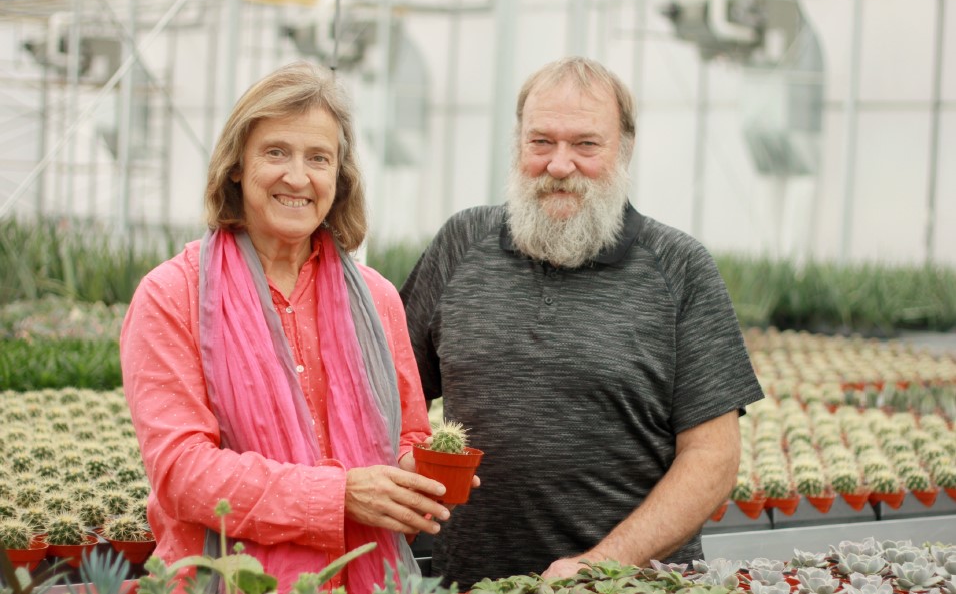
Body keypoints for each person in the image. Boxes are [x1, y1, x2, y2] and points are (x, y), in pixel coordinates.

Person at [399, 56, 765, 586]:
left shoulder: (679, 267)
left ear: (624, 150)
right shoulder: (461, 244)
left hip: (628, 583)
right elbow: (388, 396)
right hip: (473, 581)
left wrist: (599, 566)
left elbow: (712, 458)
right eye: (541, 142)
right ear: (518, 143)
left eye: (585, 144)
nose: (559, 165)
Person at [120, 61, 453, 594]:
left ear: (339, 178)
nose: (297, 177)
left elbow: (405, 434)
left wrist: (422, 471)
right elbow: (182, 472)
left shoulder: (377, 299)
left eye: (318, 158)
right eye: (276, 152)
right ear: (237, 167)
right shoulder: (172, 295)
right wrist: (337, 495)